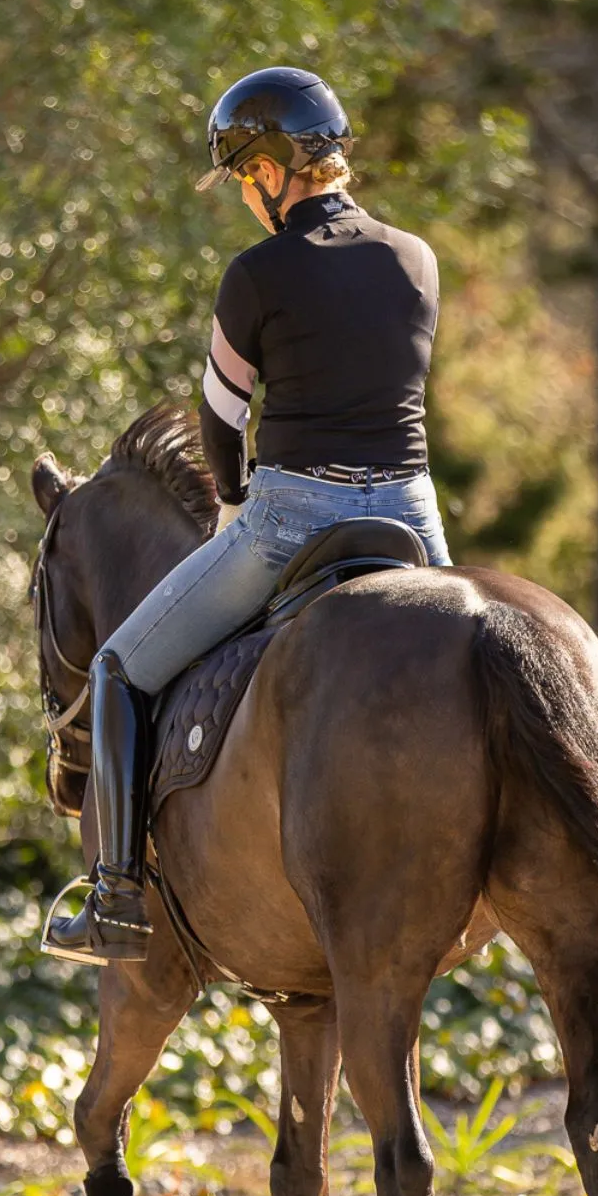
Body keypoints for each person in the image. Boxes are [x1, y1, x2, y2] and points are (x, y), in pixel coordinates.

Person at [45, 65, 452, 965]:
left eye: (241, 177)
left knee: (115, 669)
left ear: (270, 171)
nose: (243, 196)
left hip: (290, 517)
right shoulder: (417, 258)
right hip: (413, 517)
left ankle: (113, 897)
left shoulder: (257, 272)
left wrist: (231, 506)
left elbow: (223, 419)